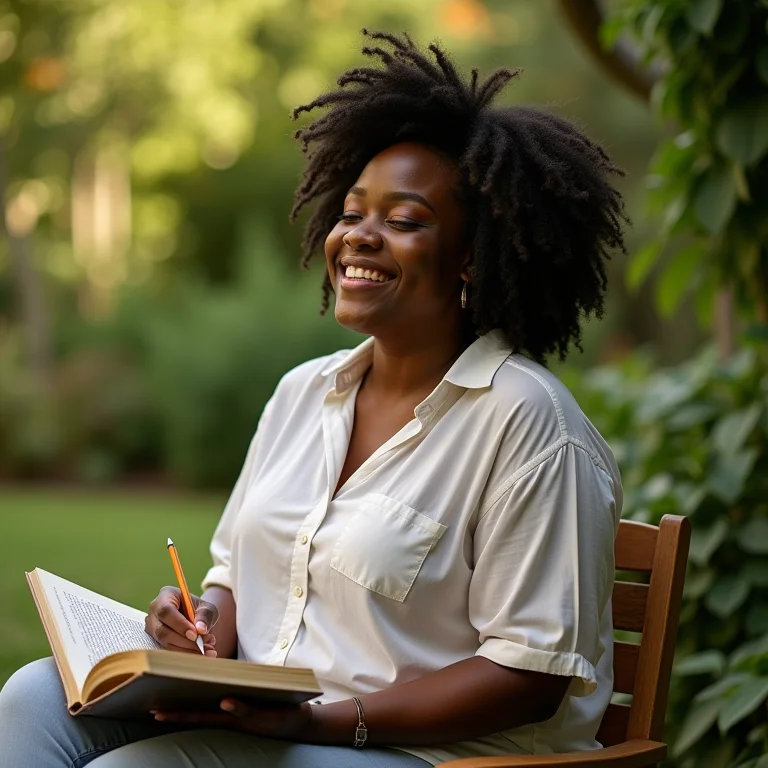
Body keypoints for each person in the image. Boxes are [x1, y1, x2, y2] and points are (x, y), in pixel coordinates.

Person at [0, 30, 626, 768]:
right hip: (276, 721)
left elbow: (529, 675)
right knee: (30, 696)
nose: (360, 237)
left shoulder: (527, 422)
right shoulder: (305, 391)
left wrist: (322, 724)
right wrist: (198, 627)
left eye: (403, 221)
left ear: (471, 256)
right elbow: (231, 579)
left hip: (431, 752)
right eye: (353, 213)